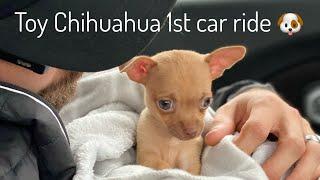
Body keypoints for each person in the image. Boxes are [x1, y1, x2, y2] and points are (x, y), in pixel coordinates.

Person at [0, 1, 319, 180]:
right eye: (64, 46)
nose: (80, 68)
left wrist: (240, 103)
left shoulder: (39, 88)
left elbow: (102, 86)